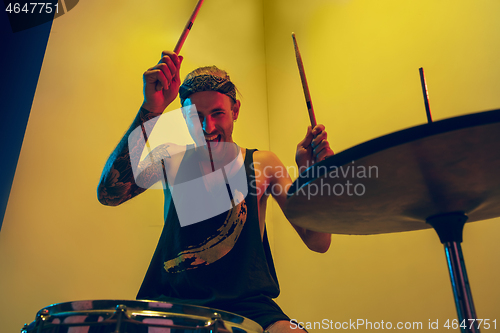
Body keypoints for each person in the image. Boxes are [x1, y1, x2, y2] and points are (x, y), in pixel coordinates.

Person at [97, 51, 334, 332]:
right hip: (173, 303)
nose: (208, 127)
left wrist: (314, 176)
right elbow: (110, 193)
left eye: (217, 113)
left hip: (247, 305)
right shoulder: (170, 159)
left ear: (235, 111)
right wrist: (151, 109)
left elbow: (318, 241)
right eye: (196, 117)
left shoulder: (263, 164)